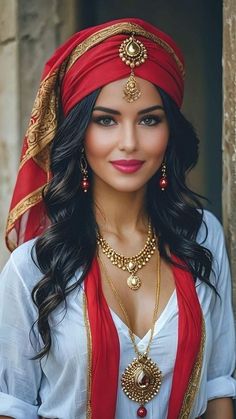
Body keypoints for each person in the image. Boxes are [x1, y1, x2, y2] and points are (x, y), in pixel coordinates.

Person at [0, 17, 235, 419]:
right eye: (106, 120)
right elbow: (13, 407)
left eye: (149, 119)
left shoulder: (200, 238)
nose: (129, 142)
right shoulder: (33, 268)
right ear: (78, 133)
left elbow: (217, 388)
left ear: (169, 131)